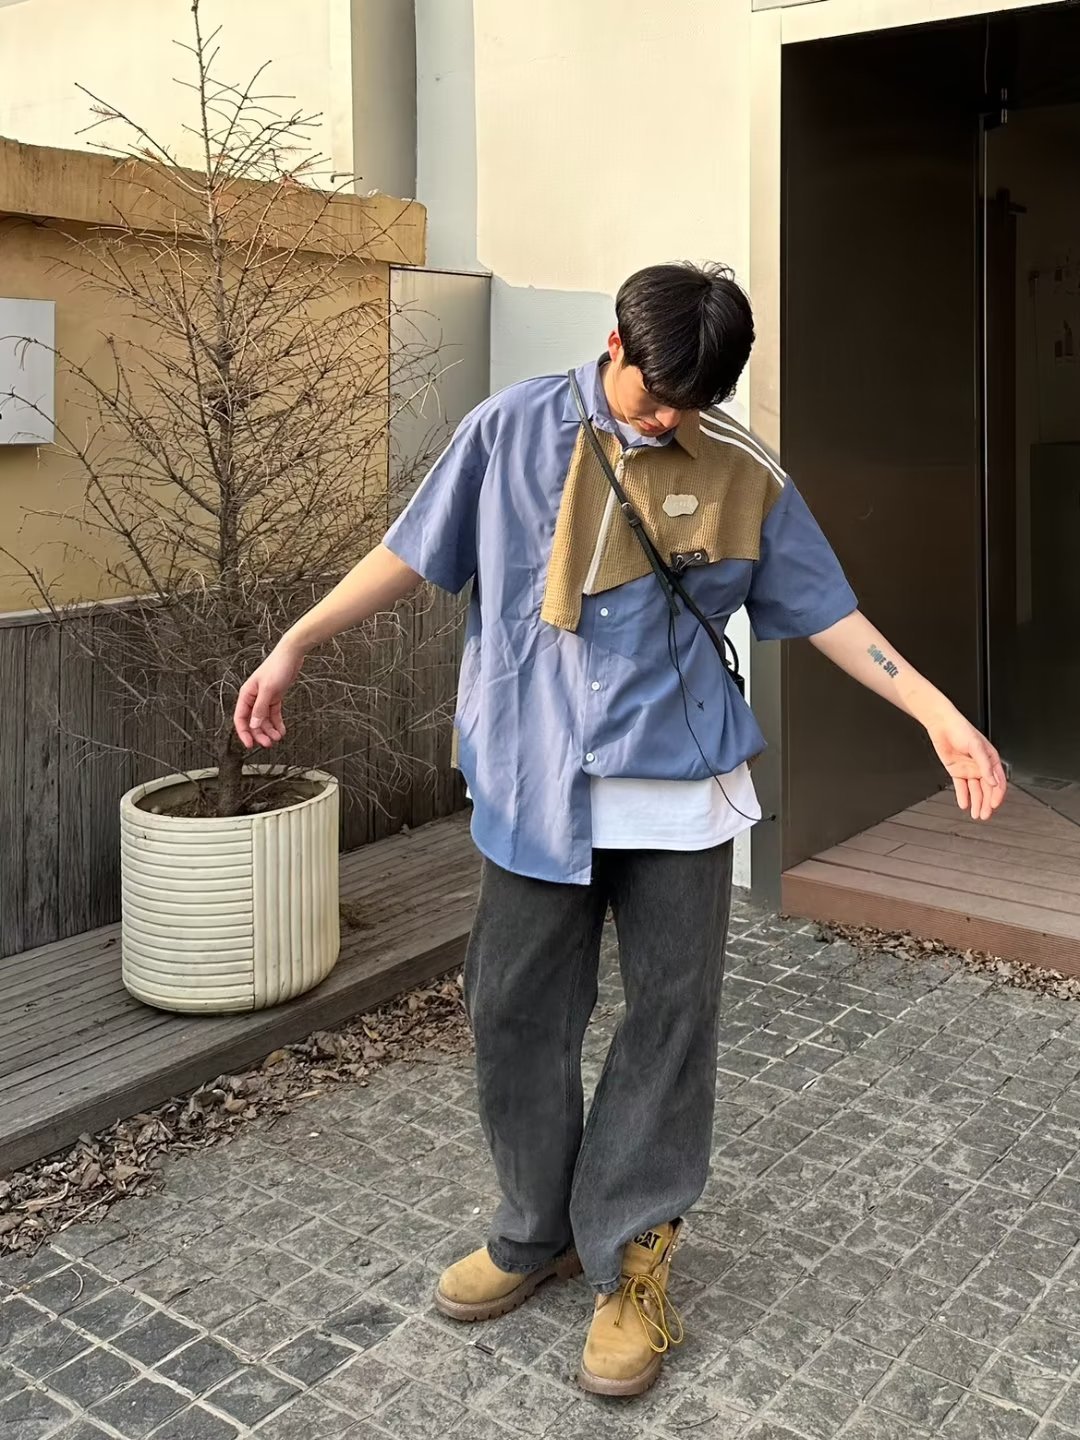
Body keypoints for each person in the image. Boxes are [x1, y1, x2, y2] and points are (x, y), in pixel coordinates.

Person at [234, 262, 1006, 1399]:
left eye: (692, 405)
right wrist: (297, 640)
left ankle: (631, 1255)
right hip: (533, 783)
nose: (666, 421)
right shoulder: (510, 430)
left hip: (677, 791)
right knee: (511, 1011)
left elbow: (828, 611)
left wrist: (935, 711)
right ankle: (534, 1228)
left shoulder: (740, 470)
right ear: (613, 345)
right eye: (654, 397)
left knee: (670, 1022)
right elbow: (411, 548)